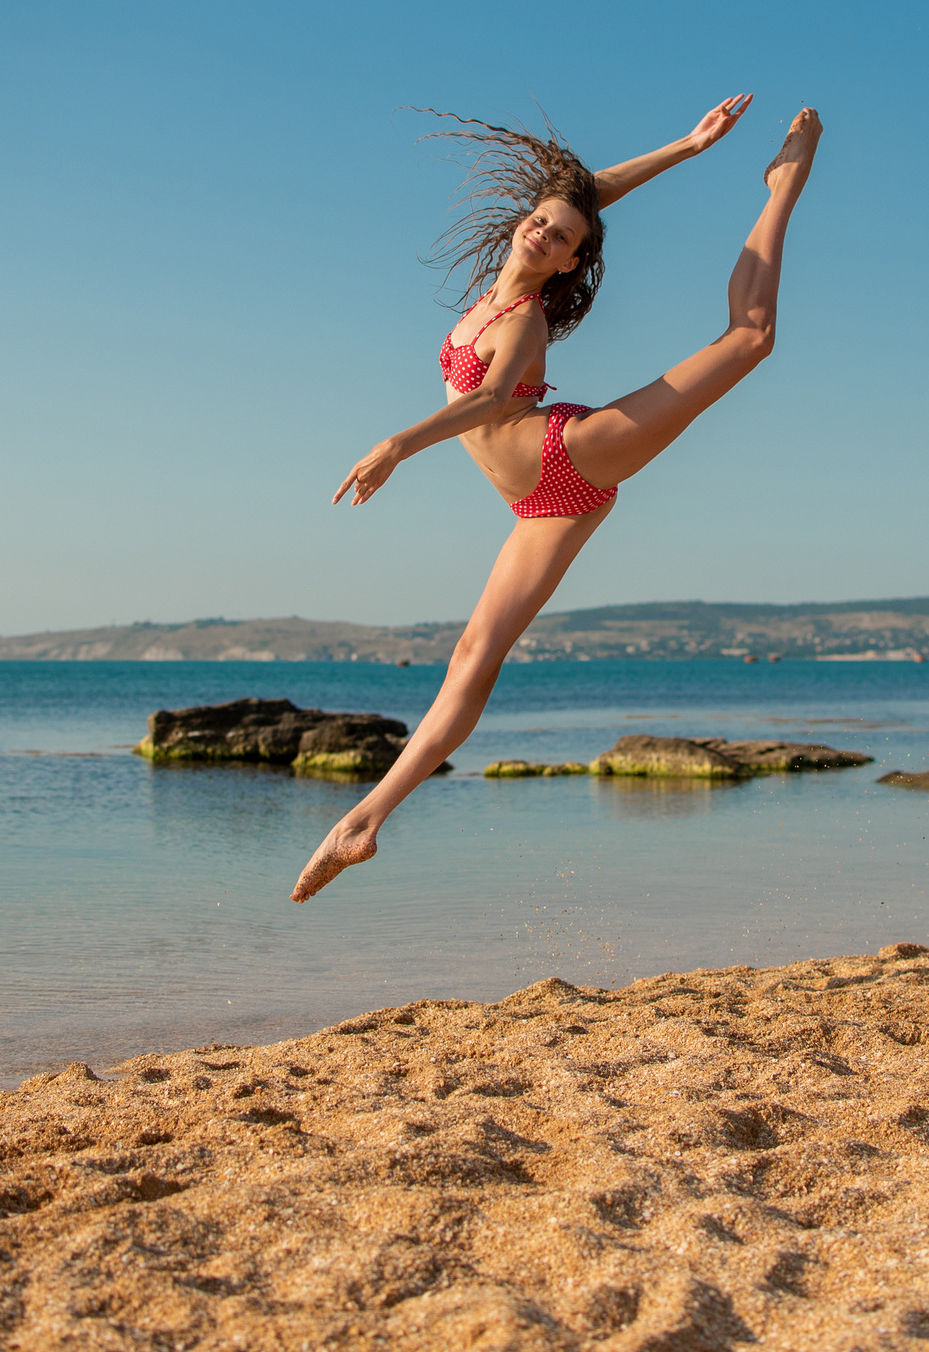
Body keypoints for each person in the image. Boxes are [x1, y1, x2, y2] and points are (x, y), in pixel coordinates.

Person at [293, 94, 823, 902]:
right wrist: (685, 144)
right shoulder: (506, 274)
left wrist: (398, 442)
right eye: (540, 222)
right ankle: (363, 822)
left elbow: (492, 399)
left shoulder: (526, 319)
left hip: (567, 451)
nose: (546, 232)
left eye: (563, 239)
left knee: (749, 339)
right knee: (473, 659)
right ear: (523, 223)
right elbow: (582, 198)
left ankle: (784, 185)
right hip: (542, 507)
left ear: (572, 261)